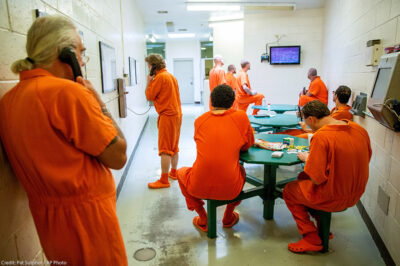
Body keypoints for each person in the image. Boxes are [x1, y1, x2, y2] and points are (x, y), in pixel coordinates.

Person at [0, 16, 128, 265]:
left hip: (48, 223)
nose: (82, 60)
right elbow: (119, 156)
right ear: (65, 53)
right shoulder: (68, 94)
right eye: (81, 52)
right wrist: (99, 103)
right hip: (89, 222)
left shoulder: (9, 101)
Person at [283, 100, 371, 253]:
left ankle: (311, 237)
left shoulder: (322, 137)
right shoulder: (359, 130)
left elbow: (317, 179)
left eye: (306, 123)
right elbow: (366, 158)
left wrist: (308, 158)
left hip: (332, 197)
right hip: (356, 194)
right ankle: (322, 228)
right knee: (302, 179)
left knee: (289, 190)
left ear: (311, 119)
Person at [177, 84, 254, 232]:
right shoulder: (241, 117)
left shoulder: (199, 120)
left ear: (211, 101)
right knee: (242, 172)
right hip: (230, 188)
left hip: (197, 185)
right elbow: (247, 145)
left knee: (181, 173)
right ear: (233, 102)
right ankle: (228, 216)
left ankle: (202, 216)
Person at [145, 54, 182, 189]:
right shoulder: (171, 76)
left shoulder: (159, 77)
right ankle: (173, 172)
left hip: (167, 116)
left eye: (149, 66)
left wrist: (149, 81)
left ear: (153, 66)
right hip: (177, 115)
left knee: (165, 149)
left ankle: (164, 180)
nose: (148, 68)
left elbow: (149, 96)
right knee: (174, 146)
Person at [279, 86, 354, 138]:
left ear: (336, 96)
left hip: (317, 133)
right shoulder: (337, 109)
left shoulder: (342, 113)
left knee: (291, 136)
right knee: (289, 131)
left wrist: (307, 129)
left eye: (333, 92)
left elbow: (325, 129)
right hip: (316, 130)